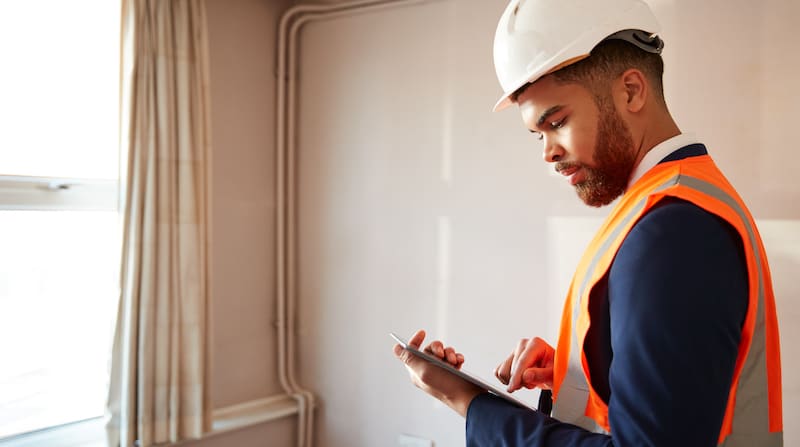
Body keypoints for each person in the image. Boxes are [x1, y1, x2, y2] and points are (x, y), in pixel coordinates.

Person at [392, 0, 784, 445]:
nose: (548, 152)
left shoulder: (674, 231)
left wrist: (468, 402)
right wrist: (580, 369)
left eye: (557, 122)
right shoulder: (671, 202)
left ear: (631, 91)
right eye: (538, 134)